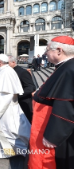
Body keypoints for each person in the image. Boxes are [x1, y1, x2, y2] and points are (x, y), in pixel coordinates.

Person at [28, 36, 74, 169]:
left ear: (59, 51)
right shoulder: (64, 67)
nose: (45, 53)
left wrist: (53, 136)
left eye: (47, 49)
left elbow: (66, 106)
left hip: (52, 131)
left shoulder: (69, 70)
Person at [8, 55, 36, 123]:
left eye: (7, 63)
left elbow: (31, 87)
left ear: (13, 62)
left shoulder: (22, 72)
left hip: (23, 102)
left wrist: (17, 95)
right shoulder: (9, 71)